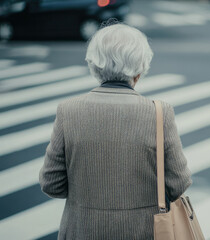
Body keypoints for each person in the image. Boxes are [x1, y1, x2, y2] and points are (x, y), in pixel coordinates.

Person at [39, 22, 193, 240]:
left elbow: (51, 184)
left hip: (81, 230)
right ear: (140, 69)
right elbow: (178, 185)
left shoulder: (68, 111)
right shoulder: (159, 113)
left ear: (94, 64)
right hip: (142, 232)